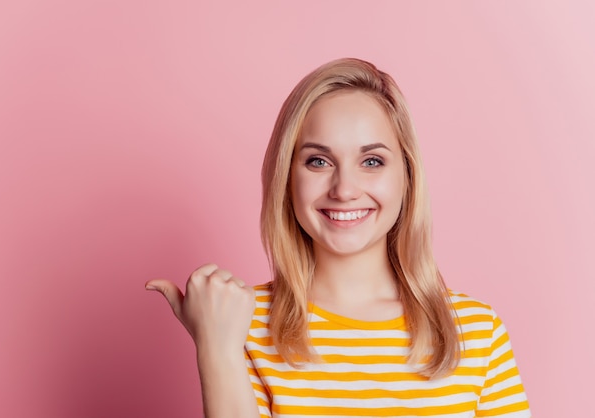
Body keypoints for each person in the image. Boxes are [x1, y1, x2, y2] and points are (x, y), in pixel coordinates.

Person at [146, 58, 531, 418]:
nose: (344, 189)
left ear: (407, 177)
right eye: (319, 161)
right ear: (287, 178)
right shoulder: (239, 324)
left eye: (372, 161)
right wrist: (217, 349)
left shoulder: (476, 332)